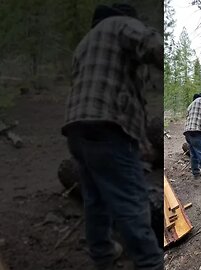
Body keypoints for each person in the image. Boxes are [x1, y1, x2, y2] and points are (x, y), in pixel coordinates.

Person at [61, 3, 163, 270]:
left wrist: (140, 142)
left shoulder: (84, 45)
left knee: (95, 198)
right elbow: (151, 44)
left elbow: (120, 94)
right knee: (132, 202)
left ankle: (103, 254)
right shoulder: (120, 25)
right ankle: (150, 262)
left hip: (76, 131)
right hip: (107, 130)